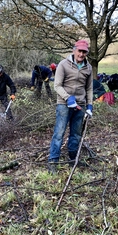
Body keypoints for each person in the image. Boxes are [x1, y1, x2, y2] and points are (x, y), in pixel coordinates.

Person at [48, 39, 93, 173]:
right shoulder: (63, 65)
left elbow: (89, 88)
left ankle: (73, 159)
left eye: (84, 52)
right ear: (74, 50)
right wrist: (68, 98)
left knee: (76, 134)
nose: (81, 54)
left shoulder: (88, 67)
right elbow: (57, 85)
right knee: (59, 133)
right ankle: (53, 161)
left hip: (80, 104)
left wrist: (89, 105)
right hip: (64, 105)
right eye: (79, 51)